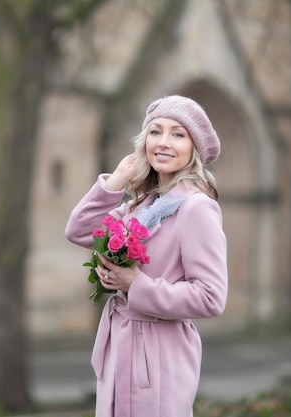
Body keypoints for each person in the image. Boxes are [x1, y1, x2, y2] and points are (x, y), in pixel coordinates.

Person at [65, 95, 228, 417]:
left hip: (160, 356)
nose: (164, 142)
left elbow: (211, 297)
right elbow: (80, 231)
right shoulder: (141, 205)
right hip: (120, 347)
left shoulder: (196, 208)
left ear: (193, 148)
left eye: (178, 134)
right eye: (155, 132)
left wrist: (136, 284)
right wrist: (117, 180)